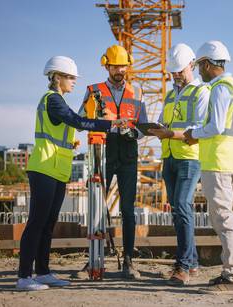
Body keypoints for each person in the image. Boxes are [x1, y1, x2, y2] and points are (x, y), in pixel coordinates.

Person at [16, 56, 129, 291]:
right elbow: (76, 121)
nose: (74, 81)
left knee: (48, 224)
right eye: (70, 77)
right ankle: (24, 277)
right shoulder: (53, 100)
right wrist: (111, 124)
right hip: (44, 168)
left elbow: (68, 126)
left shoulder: (59, 100)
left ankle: (43, 272)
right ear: (57, 77)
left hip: (57, 170)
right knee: (36, 223)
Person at [79, 45, 148, 279]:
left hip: (128, 156)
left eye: (123, 66)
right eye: (116, 66)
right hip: (102, 154)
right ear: (106, 65)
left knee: (128, 210)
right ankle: (92, 261)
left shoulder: (137, 92)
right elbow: (81, 121)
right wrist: (102, 120)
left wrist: (127, 128)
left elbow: (143, 128)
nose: (120, 70)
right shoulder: (94, 90)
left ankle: (128, 261)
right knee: (97, 208)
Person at [183, 41, 233, 294]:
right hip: (226, 162)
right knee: (223, 217)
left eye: (200, 66)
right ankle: (230, 273)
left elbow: (216, 127)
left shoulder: (220, 88)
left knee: (223, 218)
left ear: (208, 63)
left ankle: (232, 276)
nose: (199, 71)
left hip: (219, 163)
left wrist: (192, 134)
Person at [148, 43, 210, 286]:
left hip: (189, 158)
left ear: (191, 66)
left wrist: (168, 134)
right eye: (172, 72)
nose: (176, 76)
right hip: (169, 157)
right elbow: (165, 121)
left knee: (183, 205)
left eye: (180, 71)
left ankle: (183, 266)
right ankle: (192, 263)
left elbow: (197, 128)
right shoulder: (171, 95)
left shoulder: (201, 92)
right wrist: (152, 129)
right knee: (177, 210)